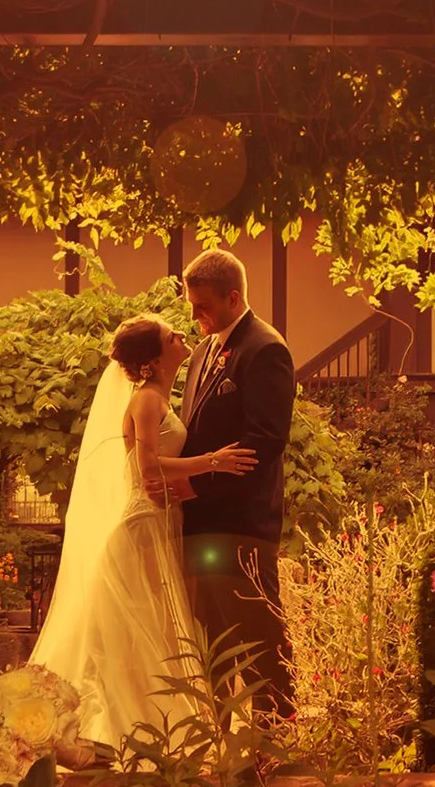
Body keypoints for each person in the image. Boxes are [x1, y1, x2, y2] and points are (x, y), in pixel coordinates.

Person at [29, 313, 257, 748]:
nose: (183, 336)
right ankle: (135, 729)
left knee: (154, 630)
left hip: (160, 519)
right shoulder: (147, 401)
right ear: (154, 359)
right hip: (140, 529)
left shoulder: (161, 397)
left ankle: (148, 728)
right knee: (148, 630)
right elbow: (147, 466)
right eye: (172, 336)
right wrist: (213, 461)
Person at [173, 247, 296, 710]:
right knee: (212, 642)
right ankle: (221, 738)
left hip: (242, 525)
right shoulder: (204, 350)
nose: (195, 314)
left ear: (233, 296)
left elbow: (264, 441)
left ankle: (276, 737)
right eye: (191, 304)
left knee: (259, 637)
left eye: (202, 305)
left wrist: (195, 485)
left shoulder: (265, 349)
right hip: (201, 524)